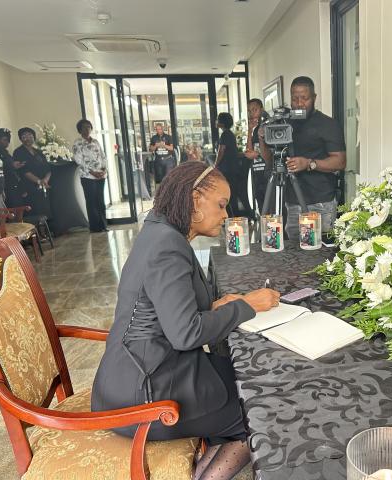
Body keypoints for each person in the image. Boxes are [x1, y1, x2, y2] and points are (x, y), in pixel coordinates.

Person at [91, 162, 280, 480]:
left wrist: (218, 304)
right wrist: (246, 305)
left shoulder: (160, 230)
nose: (224, 214)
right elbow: (186, 333)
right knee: (261, 409)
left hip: (138, 373)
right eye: (220, 205)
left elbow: (170, 305)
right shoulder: (168, 245)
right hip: (144, 395)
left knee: (246, 380)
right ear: (195, 199)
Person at [259, 76, 346, 240]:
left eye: (304, 98)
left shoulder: (328, 124)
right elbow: (269, 159)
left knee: (320, 253)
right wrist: (263, 140)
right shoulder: (283, 123)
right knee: (295, 251)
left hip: (320, 201)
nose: (299, 103)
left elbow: (340, 161)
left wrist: (308, 163)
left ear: (314, 98)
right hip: (292, 201)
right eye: (295, 98)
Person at [215, 112, 254, 219]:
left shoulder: (225, 134)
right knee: (235, 193)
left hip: (227, 169)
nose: (216, 121)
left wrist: (215, 164)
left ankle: (233, 217)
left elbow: (221, 151)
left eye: (218, 120)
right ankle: (240, 216)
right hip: (233, 168)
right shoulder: (230, 134)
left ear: (222, 123)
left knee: (230, 193)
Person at [72, 119, 108, 233]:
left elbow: (103, 156)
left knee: (100, 201)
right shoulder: (77, 143)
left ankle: (103, 225)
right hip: (88, 177)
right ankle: (95, 228)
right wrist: (92, 172)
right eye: (83, 127)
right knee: (91, 202)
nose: (86, 129)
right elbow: (78, 160)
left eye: (88, 127)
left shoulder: (96, 142)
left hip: (100, 176)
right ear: (79, 130)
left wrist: (104, 169)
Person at [13, 127, 52, 218]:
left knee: (45, 210)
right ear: (20, 139)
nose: (27, 138)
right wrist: (39, 181)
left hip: (44, 186)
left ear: (34, 137)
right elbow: (24, 171)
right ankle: (36, 231)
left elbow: (48, 168)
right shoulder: (18, 152)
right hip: (29, 187)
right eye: (24, 136)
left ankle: (47, 231)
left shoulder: (39, 152)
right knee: (35, 211)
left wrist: (45, 180)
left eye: (30, 135)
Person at [0, 128, 28, 208]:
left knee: (19, 210)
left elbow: (11, 168)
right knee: (12, 212)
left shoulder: (5, 152)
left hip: (14, 186)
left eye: (8, 139)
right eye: (5, 139)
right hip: (5, 188)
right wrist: (11, 166)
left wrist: (15, 165)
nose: (8, 142)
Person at [243, 98, 268, 214]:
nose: (252, 113)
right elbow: (249, 150)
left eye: (255, 109)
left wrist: (257, 154)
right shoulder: (256, 129)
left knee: (270, 209)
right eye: (249, 111)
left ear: (261, 110)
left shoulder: (268, 126)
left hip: (267, 173)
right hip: (257, 174)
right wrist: (249, 130)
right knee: (261, 206)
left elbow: (272, 152)